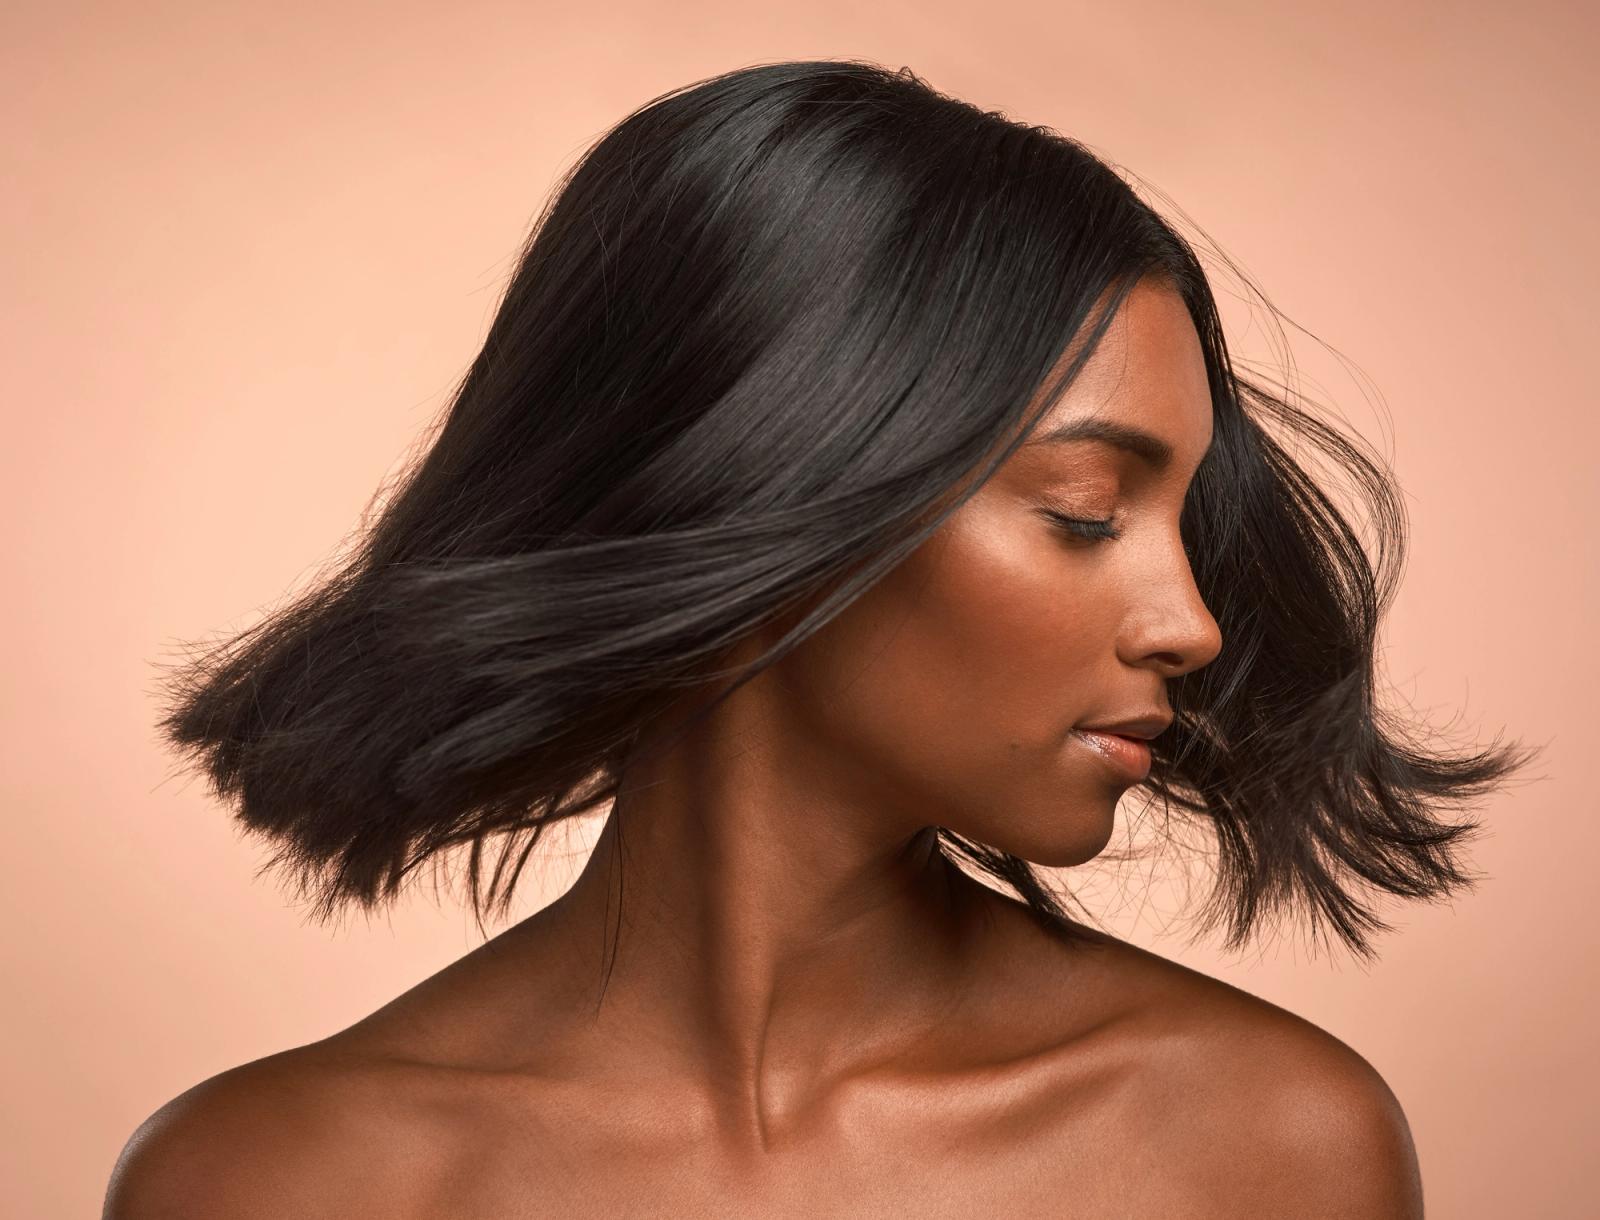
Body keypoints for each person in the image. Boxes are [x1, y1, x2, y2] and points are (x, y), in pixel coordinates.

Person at [103, 59, 1532, 1218]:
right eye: (1089, 510)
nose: (1194, 622)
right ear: (779, 494)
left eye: (1182, 525)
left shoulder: (1257, 1153)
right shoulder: (268, 1186)